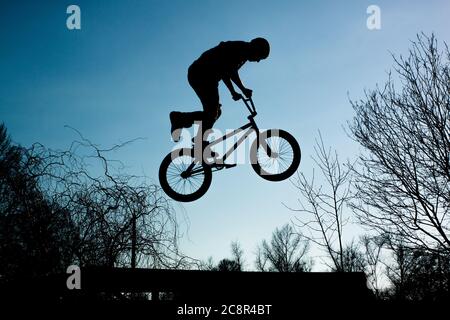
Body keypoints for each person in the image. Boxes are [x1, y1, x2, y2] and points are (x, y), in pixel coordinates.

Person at [170, 37, 270, 144]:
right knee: (212, 113)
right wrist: (242, 89)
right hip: (201, 74)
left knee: (215, 112)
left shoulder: (243, 54)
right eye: (260, 57)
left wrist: (233, 92)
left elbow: (226, 72)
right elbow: (230, 71)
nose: (258, 61)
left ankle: (198, 140)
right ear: (256, 49)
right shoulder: (241, 49)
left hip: (206, 76)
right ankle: (180, 119)